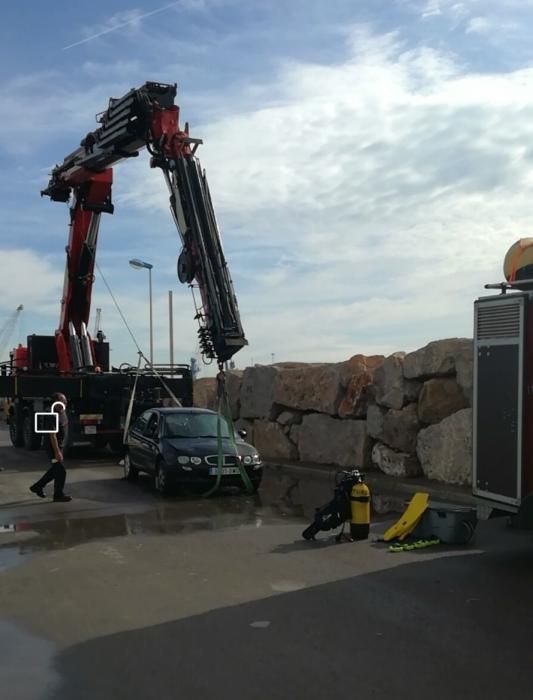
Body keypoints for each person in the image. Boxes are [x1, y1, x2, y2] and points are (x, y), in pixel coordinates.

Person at [30, 393, 71, 502]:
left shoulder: (60, 411)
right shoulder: (51, 414)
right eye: (63, 400)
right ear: (56, 402)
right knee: (61, 470)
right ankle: (57, 494)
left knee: (56, 470)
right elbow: (52, 434)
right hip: (52, 447)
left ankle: (38, 487)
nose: (65, 403)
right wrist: (57, 452)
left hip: (59, 445)